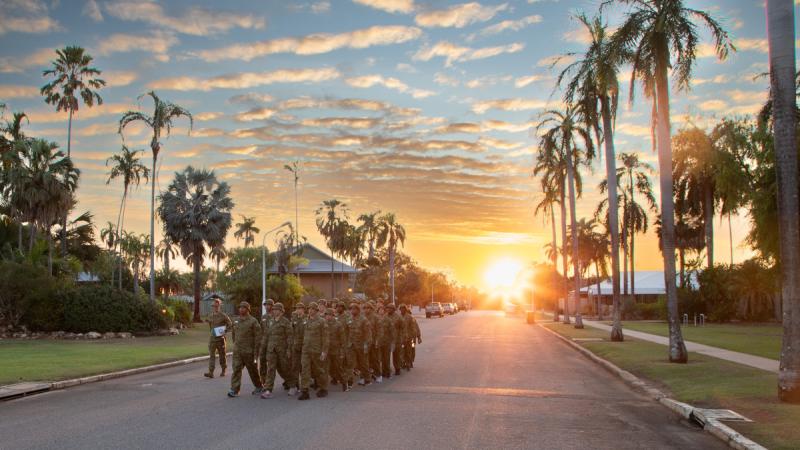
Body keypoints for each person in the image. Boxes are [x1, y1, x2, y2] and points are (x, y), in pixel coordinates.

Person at [228, 301, 263, 397]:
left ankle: (259, 386)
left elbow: (258, 337)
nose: (241, 309)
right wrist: (236, 345)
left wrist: (256, 351)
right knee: (236, 369)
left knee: (252, 370)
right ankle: (234, 389)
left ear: (248, 309)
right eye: (240, 307)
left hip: (249, 352)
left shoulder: (253, 321)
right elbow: (234, 335)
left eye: (243, 308)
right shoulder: (236, 320)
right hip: (238, 351)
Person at [260, 302, 293, 399]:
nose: (275, 311)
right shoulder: (270, 321)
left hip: (282, 349)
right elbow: (266, 335)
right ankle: (268, 389)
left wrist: (289, 349)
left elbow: (290, 336)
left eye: (277, 310)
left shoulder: (285, 322)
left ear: (281, 311)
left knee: (284, 368)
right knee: (271, 369)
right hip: (271, 349)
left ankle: (293, 385)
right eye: (274, 310)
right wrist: (263, 347)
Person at [299, 302, 329, 400]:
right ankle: (305, 391)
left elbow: (325, 338)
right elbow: (302, 334)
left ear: (316, 311)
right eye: (309, 309)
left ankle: (323, 388)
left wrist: (324, 351)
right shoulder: (305, 320)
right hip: (306, 350)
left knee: (319, 370)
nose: (310, 310)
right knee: (305, 370)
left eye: (313, 309)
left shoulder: (321, 321)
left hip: (317, 350)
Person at [205, 296, 232, 378]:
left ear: (219, 306)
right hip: (212, 339)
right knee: (211, 356)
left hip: (220, 339)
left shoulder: (223, 315)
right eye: (213, 306)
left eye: (216, 306)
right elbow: (211, 326)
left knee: (222, 355)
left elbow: (230, 325)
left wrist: (224, 331)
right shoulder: (210, 316)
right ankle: (211, 372)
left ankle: (223, 370)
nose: (215, 307)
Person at [345, 302, 371, 386]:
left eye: (354, 309)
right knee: (350, 363)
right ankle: (350, 380)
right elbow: (346, 331)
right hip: (351, 345)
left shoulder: (363, 320)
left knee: (363, 363)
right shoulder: (349, 319)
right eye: (351, 309)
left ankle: (366, 379)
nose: (352, 310)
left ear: (358, 310)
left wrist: (366, 344)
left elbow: (368, 334)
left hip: (361, 345)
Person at [325, 307, 347, 391]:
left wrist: (342, 351)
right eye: (326, 315)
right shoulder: (324, 324)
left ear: (332, 315)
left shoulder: (338, 324)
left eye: (329, 315)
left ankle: (344, 382)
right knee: (328, 367)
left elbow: (343, 339)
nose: (327, 317)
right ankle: (334, 379)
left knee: (338, 367)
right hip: (327, 349)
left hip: (336, 349)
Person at [288, 303, 306, 396]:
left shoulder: (306, 319)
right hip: (295, 347)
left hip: (304, 347)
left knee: (304, 368)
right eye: (297, 308)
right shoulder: (294, 320)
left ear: (303, 309)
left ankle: (304, 386)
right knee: (294, 367)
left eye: (300, 308)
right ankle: (294, 386)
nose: (298, 310)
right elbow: (291, 333)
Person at [258, 299, 275, 383]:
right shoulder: (263, 317)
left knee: (274, 364)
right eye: (265, 305)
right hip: (264, 342)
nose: (266, 306)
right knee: (262, 361)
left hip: (273, 343)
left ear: (272, 306)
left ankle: (288, 381)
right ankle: (263, 381)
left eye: (268, 305)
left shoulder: (275, 316)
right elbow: (261, 329)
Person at [376, 304, 394, 381]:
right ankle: (382, 372)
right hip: (378, 342)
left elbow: (392, 331)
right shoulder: (375, 319)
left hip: (386, 342)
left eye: (382, 309)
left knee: (386, 358)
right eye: (379, 310)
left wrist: (392, 341)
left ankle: (387, 372)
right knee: (379, 358)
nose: (381, 311)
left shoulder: (388, 319)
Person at [363, 301, 380, 383]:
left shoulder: (376, 317)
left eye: (368, 308)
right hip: (365, 342)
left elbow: (379, 330)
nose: (366, 309)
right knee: (365, 360)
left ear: (371, 308)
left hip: (373, 342)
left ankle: (378, 375)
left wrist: (377, 340)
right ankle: (366, 376)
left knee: (374, 359)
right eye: (365, 308)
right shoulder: (362, 317)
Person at [391, 304, 405, 375]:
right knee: (388, 355)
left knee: (396, 354)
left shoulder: (398, 317)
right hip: (388, 339)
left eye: (390, 308)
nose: (388, 310)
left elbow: (403, 327)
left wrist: (401, 336)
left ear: (393, 309)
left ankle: (397, 368)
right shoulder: (386, 316)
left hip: (397, 339)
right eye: (388, 308)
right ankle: (388, 369)